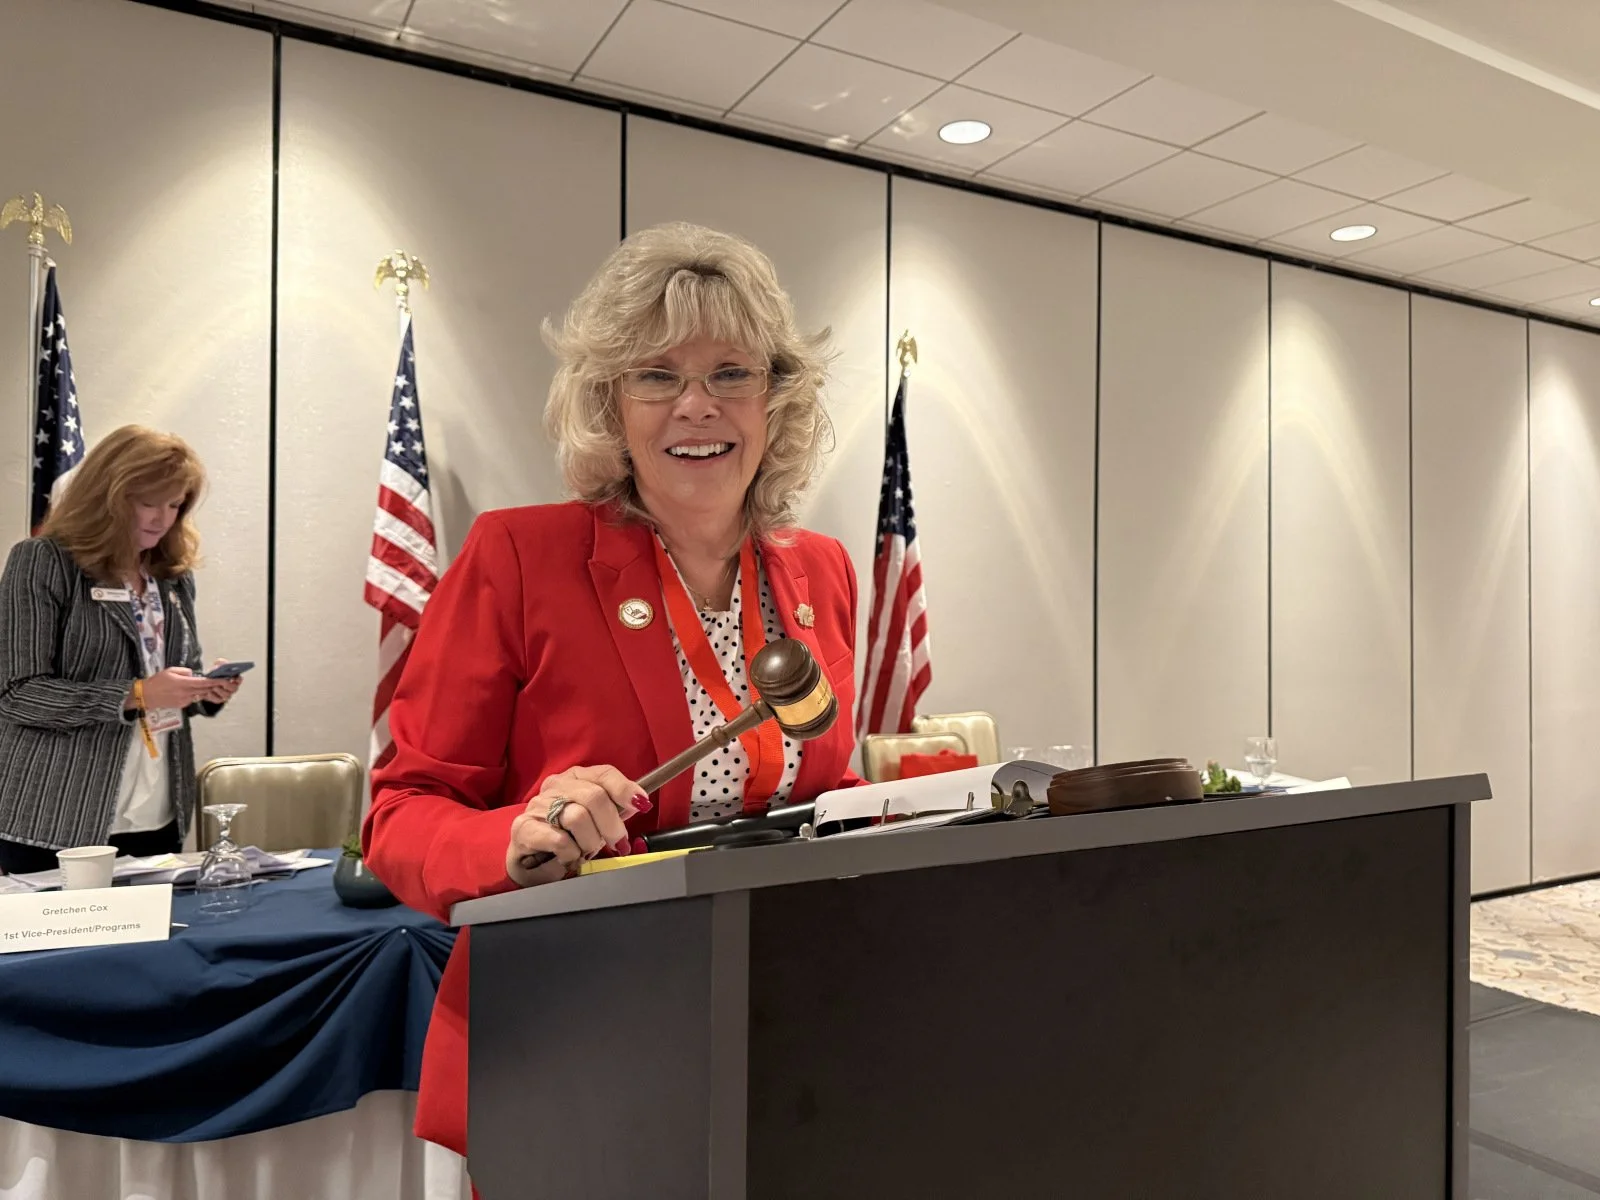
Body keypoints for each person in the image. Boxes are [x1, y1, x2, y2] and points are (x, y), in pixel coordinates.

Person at [365, 222, 864, 1157]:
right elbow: (402, 813)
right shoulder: (520, 556)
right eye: (657, 376)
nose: (696, 407)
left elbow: (822, 792)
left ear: (776, 400)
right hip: (580, 1032)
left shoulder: (822, 570)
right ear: (610, 405)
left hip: (796, 1017)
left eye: (730, 373)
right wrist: (512, 838)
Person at [0, 426, 244, 875]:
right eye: (148, 502)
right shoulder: (43, 561)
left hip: (158, 809)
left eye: (175, 505)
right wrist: (136, 694)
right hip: (60, 814)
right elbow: (18, 692)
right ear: (108, 495)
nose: (162, 518)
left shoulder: (171, 577)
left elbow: (170, 676)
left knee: (155, 941)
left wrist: (201, 689)